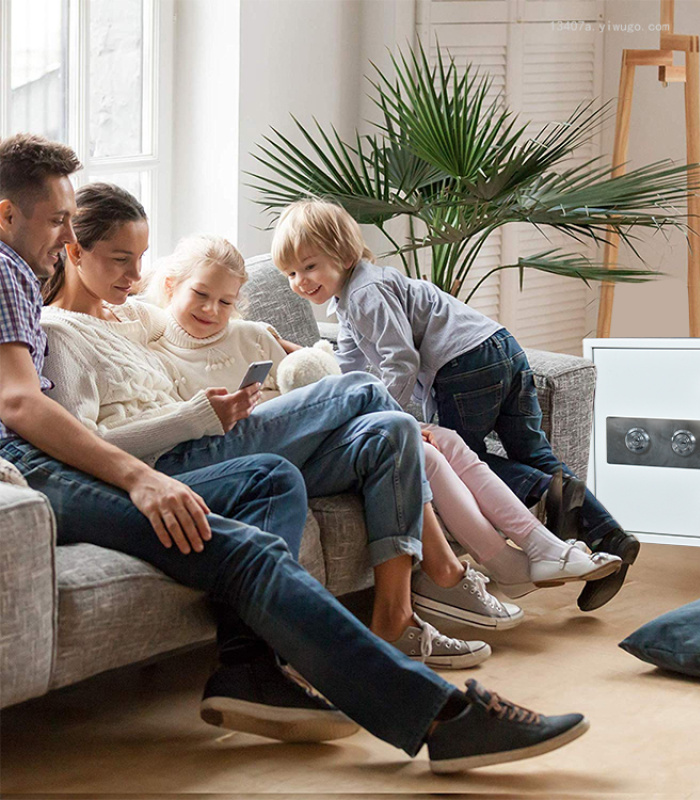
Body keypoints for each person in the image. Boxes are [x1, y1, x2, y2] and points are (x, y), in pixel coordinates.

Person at [0, 132, 589, 772]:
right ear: (7, 214)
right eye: (57, 221)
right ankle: (440, 712)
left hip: (97, 455)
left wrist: (264, 347)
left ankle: (250, 670)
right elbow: (22, 404)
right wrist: (144, 475)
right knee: (276, 510)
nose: (66, 236)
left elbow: (169, 328)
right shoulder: (12, 276)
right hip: (49, 469)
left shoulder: (62, 289)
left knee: (279, 475)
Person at [44, 214, 523, 667]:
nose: (135, 275)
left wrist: (278, 347)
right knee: (361, 388)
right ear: (74, 252)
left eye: (140, 258)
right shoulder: (57, 331)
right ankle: (444, 571)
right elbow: (79, 444)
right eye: (121, 259)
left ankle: (395, 620)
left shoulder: (132, 314)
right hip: (175, 459)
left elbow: (193, 322)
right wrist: (195, 416)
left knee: (390, 433)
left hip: (211, 438)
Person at [140, 235, 622, 601]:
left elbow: (317, 378)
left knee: (443, 444)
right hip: (255, 452)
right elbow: (192, 429)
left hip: (319, 436)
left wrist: (296, 352)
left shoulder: (252, 333)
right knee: (413, 434)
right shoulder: (155, 350)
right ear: (170, 286)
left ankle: (531, 551)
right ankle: (516, 557)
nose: (213, 310)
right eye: (201, 295)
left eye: (226, 302)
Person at [271, 199, 641, 612]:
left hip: (464, 366)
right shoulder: (354, 296)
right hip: (499, 346)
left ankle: (544, 494)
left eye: (309, 266)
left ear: (343, 255)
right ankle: (609, 534)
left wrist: (392, 418)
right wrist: (296, 357)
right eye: (290, 273)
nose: (300, 281)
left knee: (460, 458)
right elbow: (349, 368)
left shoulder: (364, 294)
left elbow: (400, 362)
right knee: (533, 453)